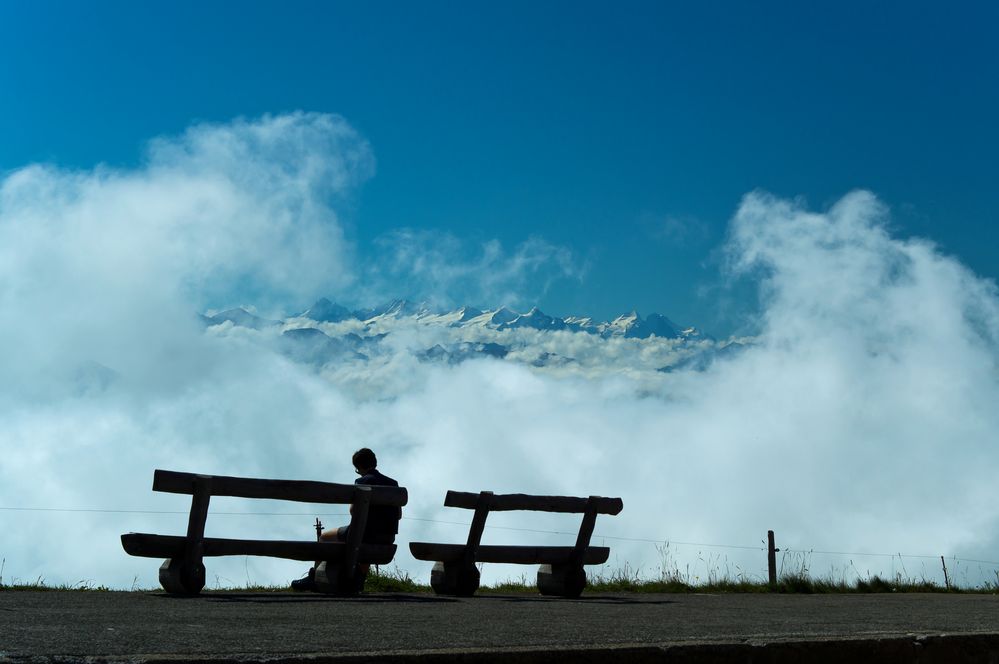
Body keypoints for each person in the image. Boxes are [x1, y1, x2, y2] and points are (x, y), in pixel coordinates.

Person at [291, 448, 401, 591]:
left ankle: (314, 578)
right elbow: (398, 515)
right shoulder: (393, 484)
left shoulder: (362, 481)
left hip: (363, 535)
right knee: (366, 540)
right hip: (387, 538)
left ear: (359, 467)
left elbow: (353, 510)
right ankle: (359, 580)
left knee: (324, 538)